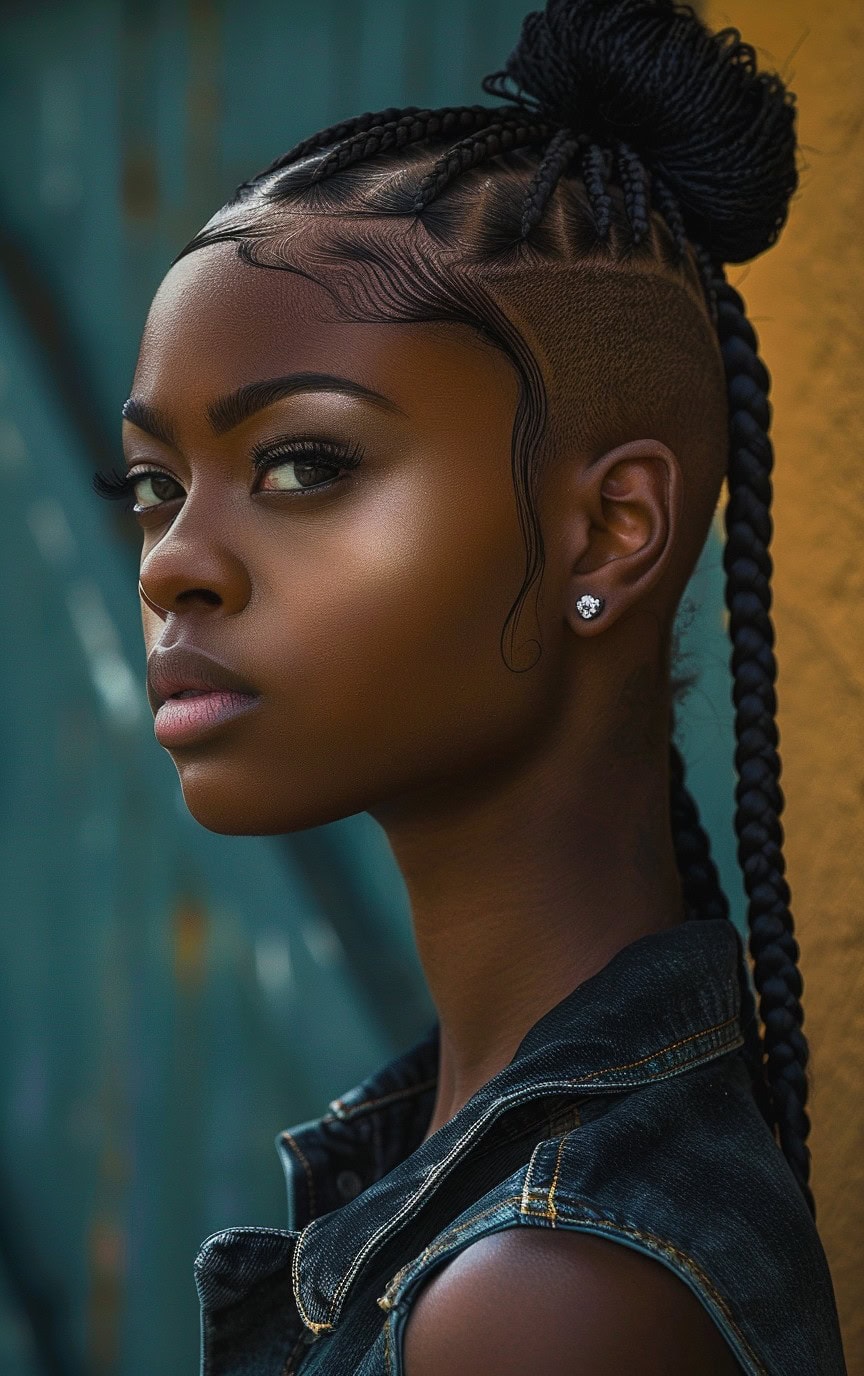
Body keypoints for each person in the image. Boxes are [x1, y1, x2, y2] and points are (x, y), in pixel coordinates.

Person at [93, 0, 847, 1371]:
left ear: (612, 531)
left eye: (302, 464)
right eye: (153, 486)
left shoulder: (543, 1300)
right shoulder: (476, 1189)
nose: (173, 565)